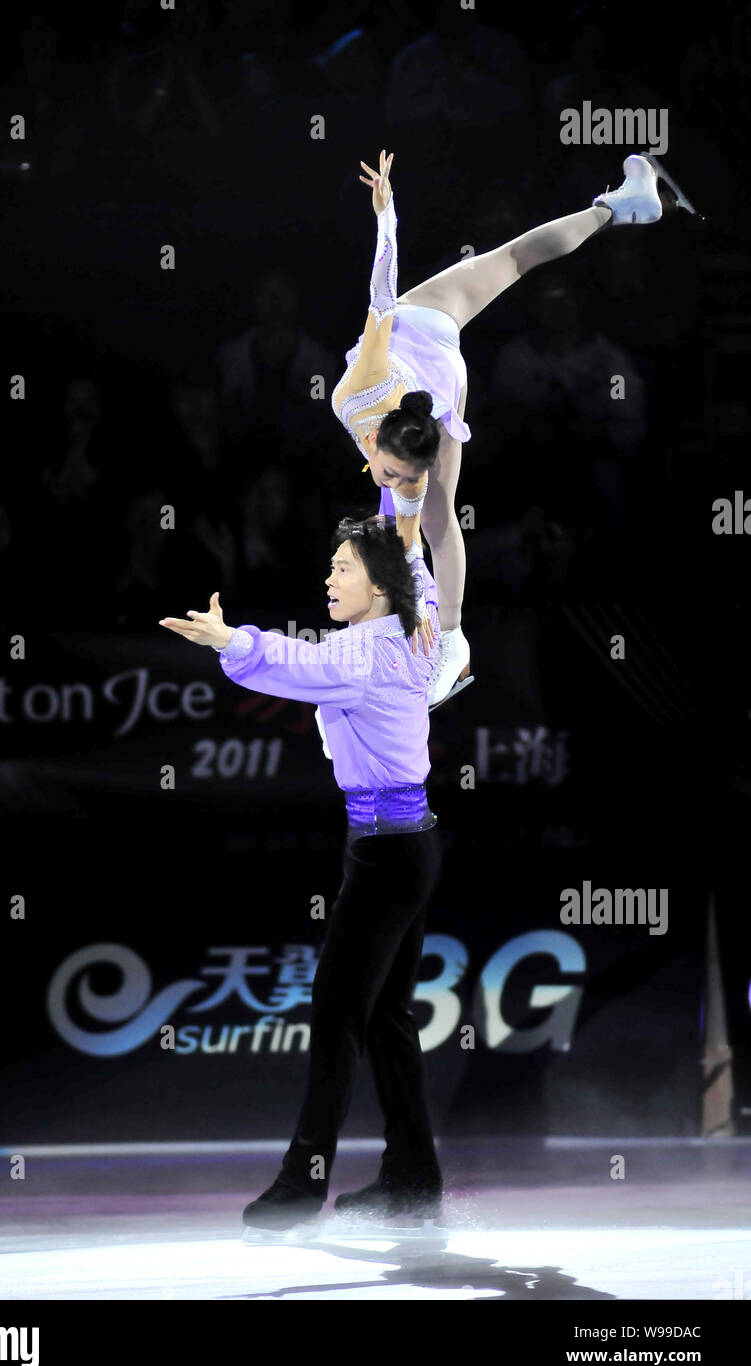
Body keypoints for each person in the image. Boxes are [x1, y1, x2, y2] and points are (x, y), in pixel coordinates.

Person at [159, 508, 446, 1235]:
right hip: (409, 845)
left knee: (336, 1011)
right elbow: (415, 561)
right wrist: (391, 492)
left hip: (384, 854)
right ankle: (412, 1177)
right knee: (384, 1016)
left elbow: (296, 663)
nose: (328, 577)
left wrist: (231, 640)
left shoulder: (360, 657)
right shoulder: (417, 622)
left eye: (343, 568)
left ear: (377, 588)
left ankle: (300, 1184)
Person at [332, 148, 691, 707]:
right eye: (399, 478)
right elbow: (382, 292)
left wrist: (387, 215)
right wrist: (387, 215)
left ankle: (624, 206)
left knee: (427, 523)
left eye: (395, 476)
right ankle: (448, 644)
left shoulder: (370, 401)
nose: (391, 483)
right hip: (435, 343)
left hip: (432, 350)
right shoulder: (385, 417)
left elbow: (382, 288)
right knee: (515, 259)